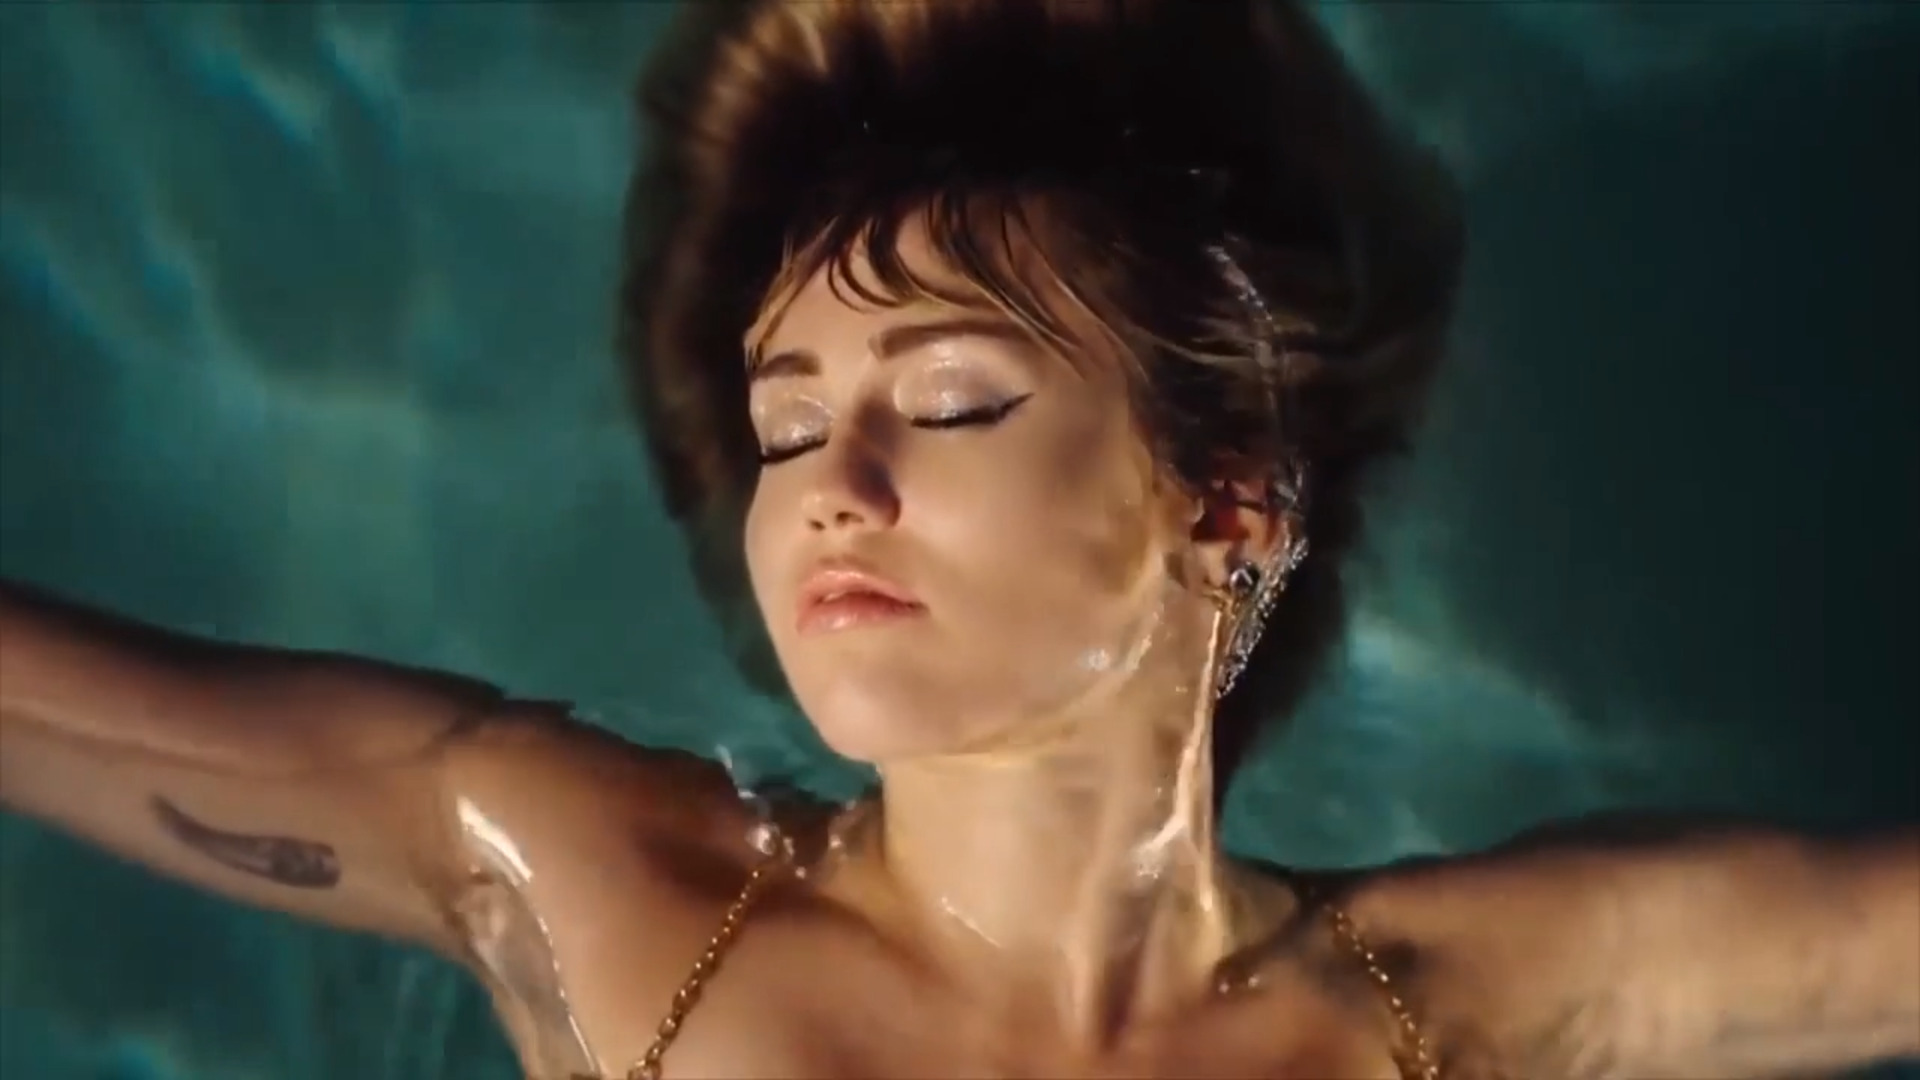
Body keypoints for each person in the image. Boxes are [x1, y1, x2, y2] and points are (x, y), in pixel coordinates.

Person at [1, 1, 1915, 1078]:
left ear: (1228, 496)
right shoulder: (598, 887)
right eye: (781, 426)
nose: (829, 480)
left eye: (951, 400)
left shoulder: (1442, 1004)